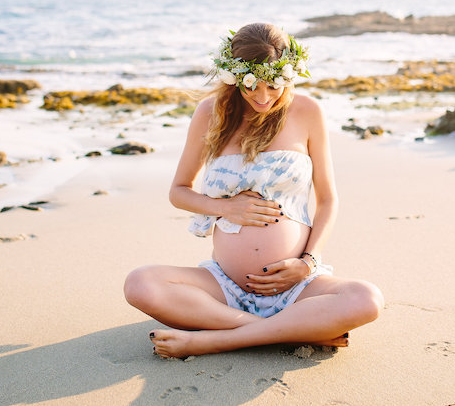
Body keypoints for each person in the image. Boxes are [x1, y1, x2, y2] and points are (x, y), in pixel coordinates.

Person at [124, 23, 383, 358]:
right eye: (251, 86)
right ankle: (287, 330)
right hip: (224, 287)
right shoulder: (211, 114)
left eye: (274, 85)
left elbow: (329, 200)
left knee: (367, 299)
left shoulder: (307, 112)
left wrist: (308, 262)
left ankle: (215, 339)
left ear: (288, 75)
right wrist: (225, 208)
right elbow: (179, 191)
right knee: (139, 284)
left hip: (297, 285)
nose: (263, 97)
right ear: (234, 77)